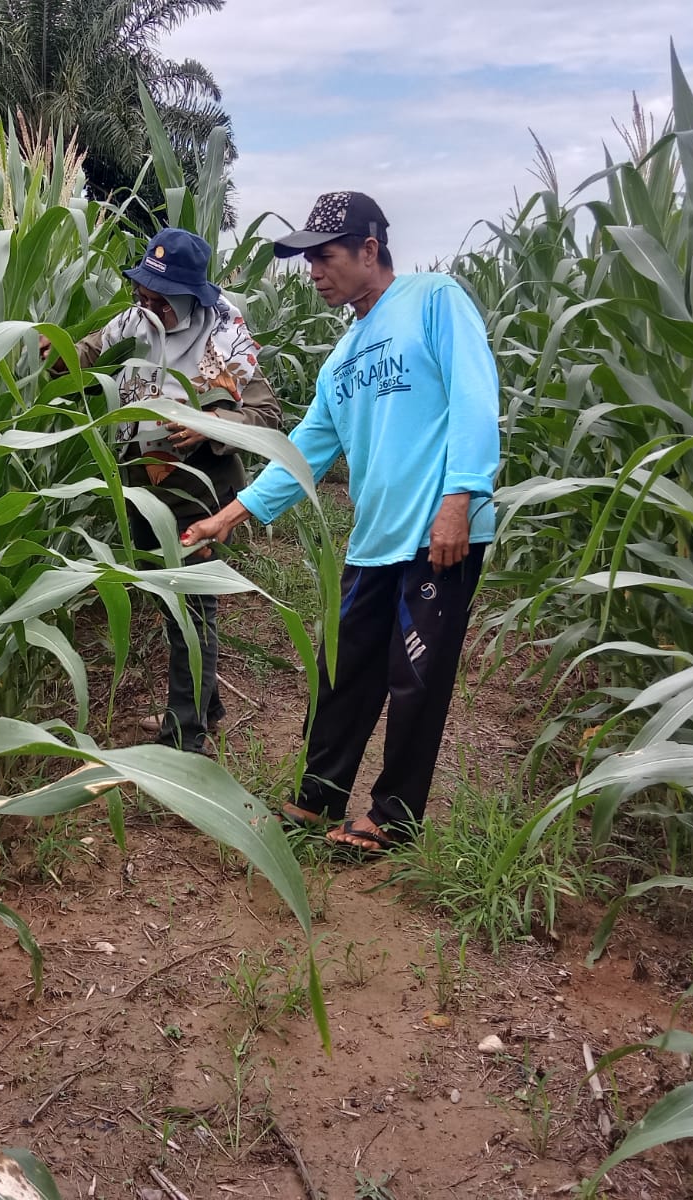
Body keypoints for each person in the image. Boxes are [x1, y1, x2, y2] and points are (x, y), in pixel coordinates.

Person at [181, 192, 500, 853]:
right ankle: (318, 796)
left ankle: (395, 819)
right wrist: (230, 516)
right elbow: (303, 452)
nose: (313, 272)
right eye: (307, 261)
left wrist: (461, 496)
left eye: (323, 257)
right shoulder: (343, 357)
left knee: (416, 679)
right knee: (342, 670)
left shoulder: (433, 299)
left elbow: (475, 391)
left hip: (439, 535)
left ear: (369, 251)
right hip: (376, 538)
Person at [44, 227, 282, 756]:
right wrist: (61, 352)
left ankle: (188, 735)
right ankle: (202, 705)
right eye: (142, 293)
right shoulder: (135, 320)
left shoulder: (223, 341)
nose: (146, 306)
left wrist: (210, 424)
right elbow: (92, 350)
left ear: (190, 297)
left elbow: (269, 418)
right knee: (168, 599)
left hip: (198, 489)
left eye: (159, 299)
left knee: (193, 610)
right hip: (140, 482)